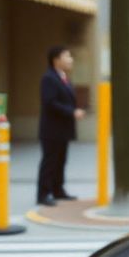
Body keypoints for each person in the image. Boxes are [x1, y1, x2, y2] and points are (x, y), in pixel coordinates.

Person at [37, 46, 85, 206]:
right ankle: (43, 194)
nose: (70, 59)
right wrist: (72, 112)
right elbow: (50, 103)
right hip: (51, 129)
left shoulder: (64, 77)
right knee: (50, 162)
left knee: (61, 161)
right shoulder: (49, 78)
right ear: (56, 60)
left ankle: (58, 190)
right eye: (67, 56)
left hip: (62, 129)